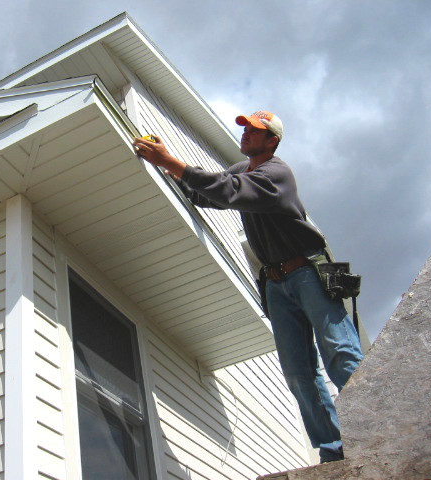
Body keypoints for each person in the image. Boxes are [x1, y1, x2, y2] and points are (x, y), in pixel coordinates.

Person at [133, 111, 364, 464]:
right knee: (298, 373)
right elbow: (209, 194)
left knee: (339, 351)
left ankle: (374, 426)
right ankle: (333, 450)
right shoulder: (243, 171)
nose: (246, 135)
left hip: (307, 272)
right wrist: (168, 168)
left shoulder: (276, 173)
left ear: (271, 140)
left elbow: (229, 191)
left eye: (255, 131)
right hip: (275, 282)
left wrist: (173, 162)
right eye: (245, 129)